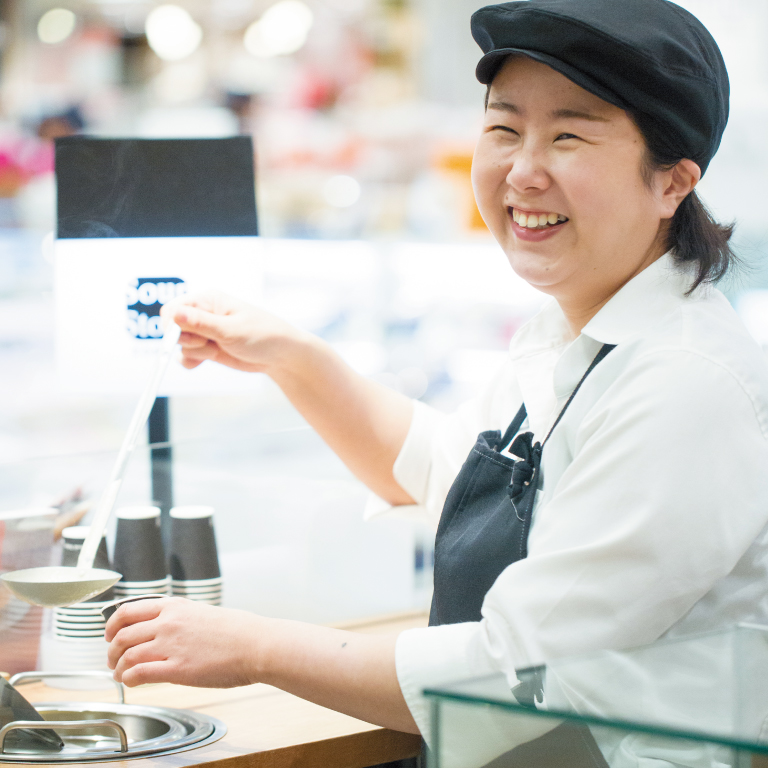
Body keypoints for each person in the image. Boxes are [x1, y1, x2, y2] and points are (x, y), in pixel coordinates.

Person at [106, 0, 768, 765]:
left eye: (569, 135)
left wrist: (254, 646)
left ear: (672, 183)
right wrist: (289, 355)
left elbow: (515, 673)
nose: (523, 170)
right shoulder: (570, 333)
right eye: (504, 128)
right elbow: (433, 465)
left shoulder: (686, 383)